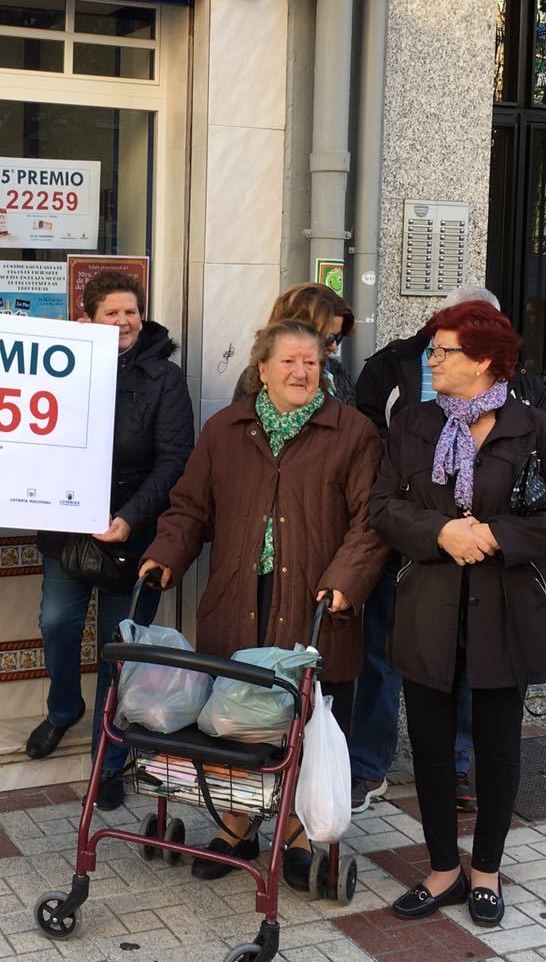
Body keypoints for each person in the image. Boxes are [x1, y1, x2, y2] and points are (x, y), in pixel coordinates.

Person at [370, 301, 546, 927]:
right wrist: (441, 532)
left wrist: (495, 536)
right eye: (432, 350)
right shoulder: (412, 423)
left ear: (485, 361)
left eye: (444, 351)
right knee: (431, 745)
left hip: (506, 608)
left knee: (497, 747)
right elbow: (382, 506)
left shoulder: (533, 428)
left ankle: (488, 868)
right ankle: (443, 868)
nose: (432, 361)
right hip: (428, 604)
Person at [140, 320, 388, 889]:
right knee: (235, 716)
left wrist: (346, 580)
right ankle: (237, 826)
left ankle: (296, 831)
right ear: (262, 370)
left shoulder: (352, 432)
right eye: (289, 362)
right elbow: (190, 507)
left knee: (303, 717)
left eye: (311, 362)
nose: (302, 372)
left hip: (316, 598)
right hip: (239, 595)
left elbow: (370, 521)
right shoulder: (226, 429)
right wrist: (166, 554)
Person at [349, 286, 525, 815]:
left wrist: (490, 534)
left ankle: (459, 764)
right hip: (410, 545)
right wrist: (427, 508)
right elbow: (369, 441)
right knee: (384, 652)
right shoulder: (394, 367)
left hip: (481, 562)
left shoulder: (522, 392)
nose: (439, 357)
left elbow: (544, 482)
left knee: (470, 661)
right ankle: (369, 764)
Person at [26, 270, 195, 811]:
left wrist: (129, 517)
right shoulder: (60, 366)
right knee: (56, 623)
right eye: (112, 313)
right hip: (69, 529)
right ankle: (63, 710)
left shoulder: (165, 378)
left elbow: (175, 461)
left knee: (119, 651)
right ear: (87, 319)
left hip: (135, 535)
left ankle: (110, 759)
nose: (125, 322)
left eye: (132, 312)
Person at [268, 282, 357, 405]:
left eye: (338, 337)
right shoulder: (257, 379)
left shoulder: (337, 373)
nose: (334, 346)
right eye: (327, 338)